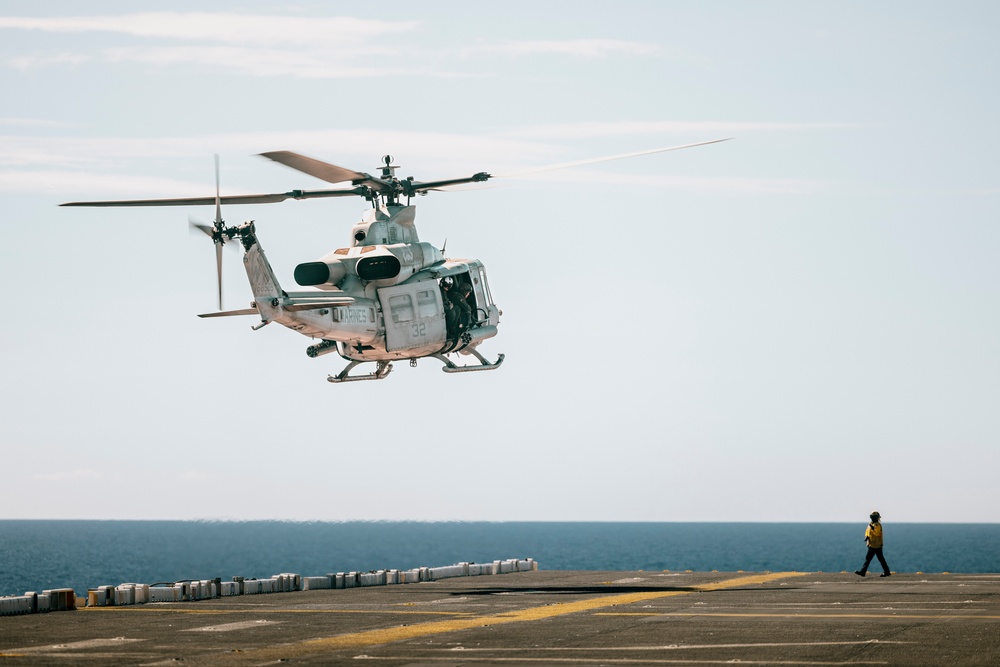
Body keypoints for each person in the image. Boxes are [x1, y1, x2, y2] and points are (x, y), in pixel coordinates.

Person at [855, 510, 891, 577]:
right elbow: (867, 531)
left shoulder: (877, 525)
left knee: (877, 559)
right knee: (870, 559)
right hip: (872, 545)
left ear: (877, 518)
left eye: (874, 517)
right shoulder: (871, 524)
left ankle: (886, 572)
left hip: (877, 545)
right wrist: (866, 537)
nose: (872, 518)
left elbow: (877, 533)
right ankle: (863, 572)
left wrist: (872, 529)